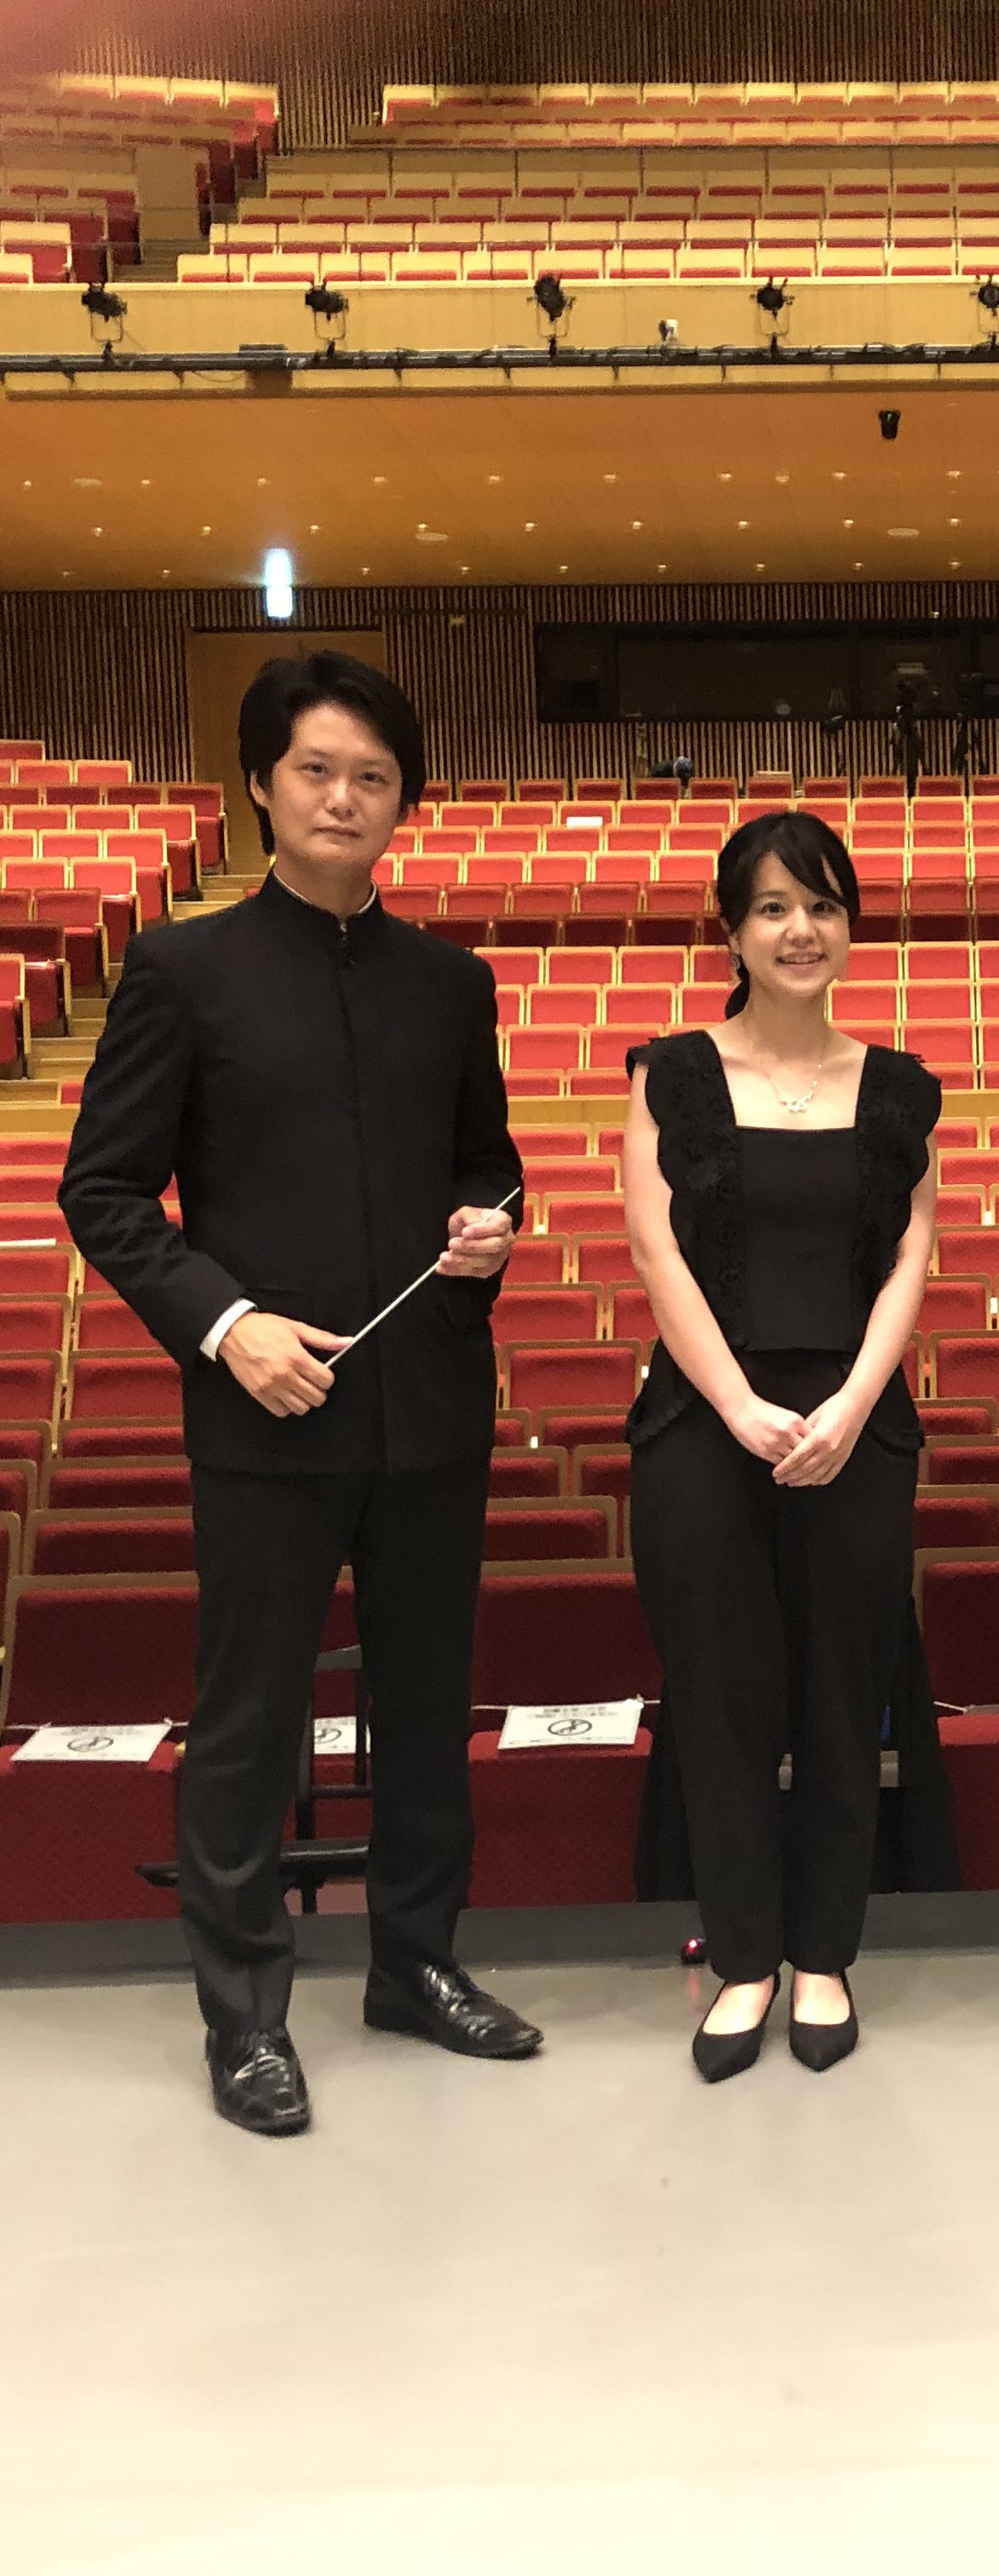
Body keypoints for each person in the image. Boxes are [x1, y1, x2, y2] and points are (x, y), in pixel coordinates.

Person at [60, 651, 543, 2138]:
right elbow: (105, 1191)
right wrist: (228, 1327)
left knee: (425, 1706)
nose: (344, 798)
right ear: (262, 785)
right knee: (251, 1719)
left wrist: (490, 1229)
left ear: (405, 801)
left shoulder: (450, 983)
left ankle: (416, 1963)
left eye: (373, 777)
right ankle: (245, 2013)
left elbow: (490, 1167)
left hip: (428, 1408)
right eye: (317, 770)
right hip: (263, 1412)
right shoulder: (183, 969)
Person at [623, 811, 940, 2082]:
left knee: (842, 1691)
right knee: (722, 1698)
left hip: (856, 1420)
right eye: (771, 907)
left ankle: (824, 1954)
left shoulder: (899, 1084)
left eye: (821, 905)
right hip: (707, 1423)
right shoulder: (673, 1073)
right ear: (733, 931)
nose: (799, 930)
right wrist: (743, 1408)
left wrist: (854, 1403)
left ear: (849, 924)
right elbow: (656, 1252)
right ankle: (745, 1957)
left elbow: (911, 1255)